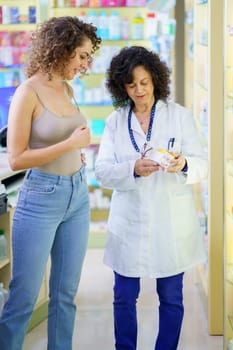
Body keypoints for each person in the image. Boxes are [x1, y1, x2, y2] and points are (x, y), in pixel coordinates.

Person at [95, 46, 208, 350]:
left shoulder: (179, 116)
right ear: (121, 86)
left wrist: (184, 164)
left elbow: (202, 162)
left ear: (156, 80)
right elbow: (102, 171)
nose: (139, 90)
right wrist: (131, 169)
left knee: (171, 297)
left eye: (144, 82)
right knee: (123, 296)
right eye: (131, 84)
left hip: (169, 223)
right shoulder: (115, 122)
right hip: (128, 222)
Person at [0, 16, 101, 350]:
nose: (86, 64)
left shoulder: (67, 88)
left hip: (77, 195)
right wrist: (69, 147)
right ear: (61, 49)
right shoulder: (27, 92)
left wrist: (75, 156)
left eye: (89, 57)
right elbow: (16, 158)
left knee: (65, 296)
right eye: (82, 55)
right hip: (41, 197)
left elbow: (62, 139)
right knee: (23, 298)